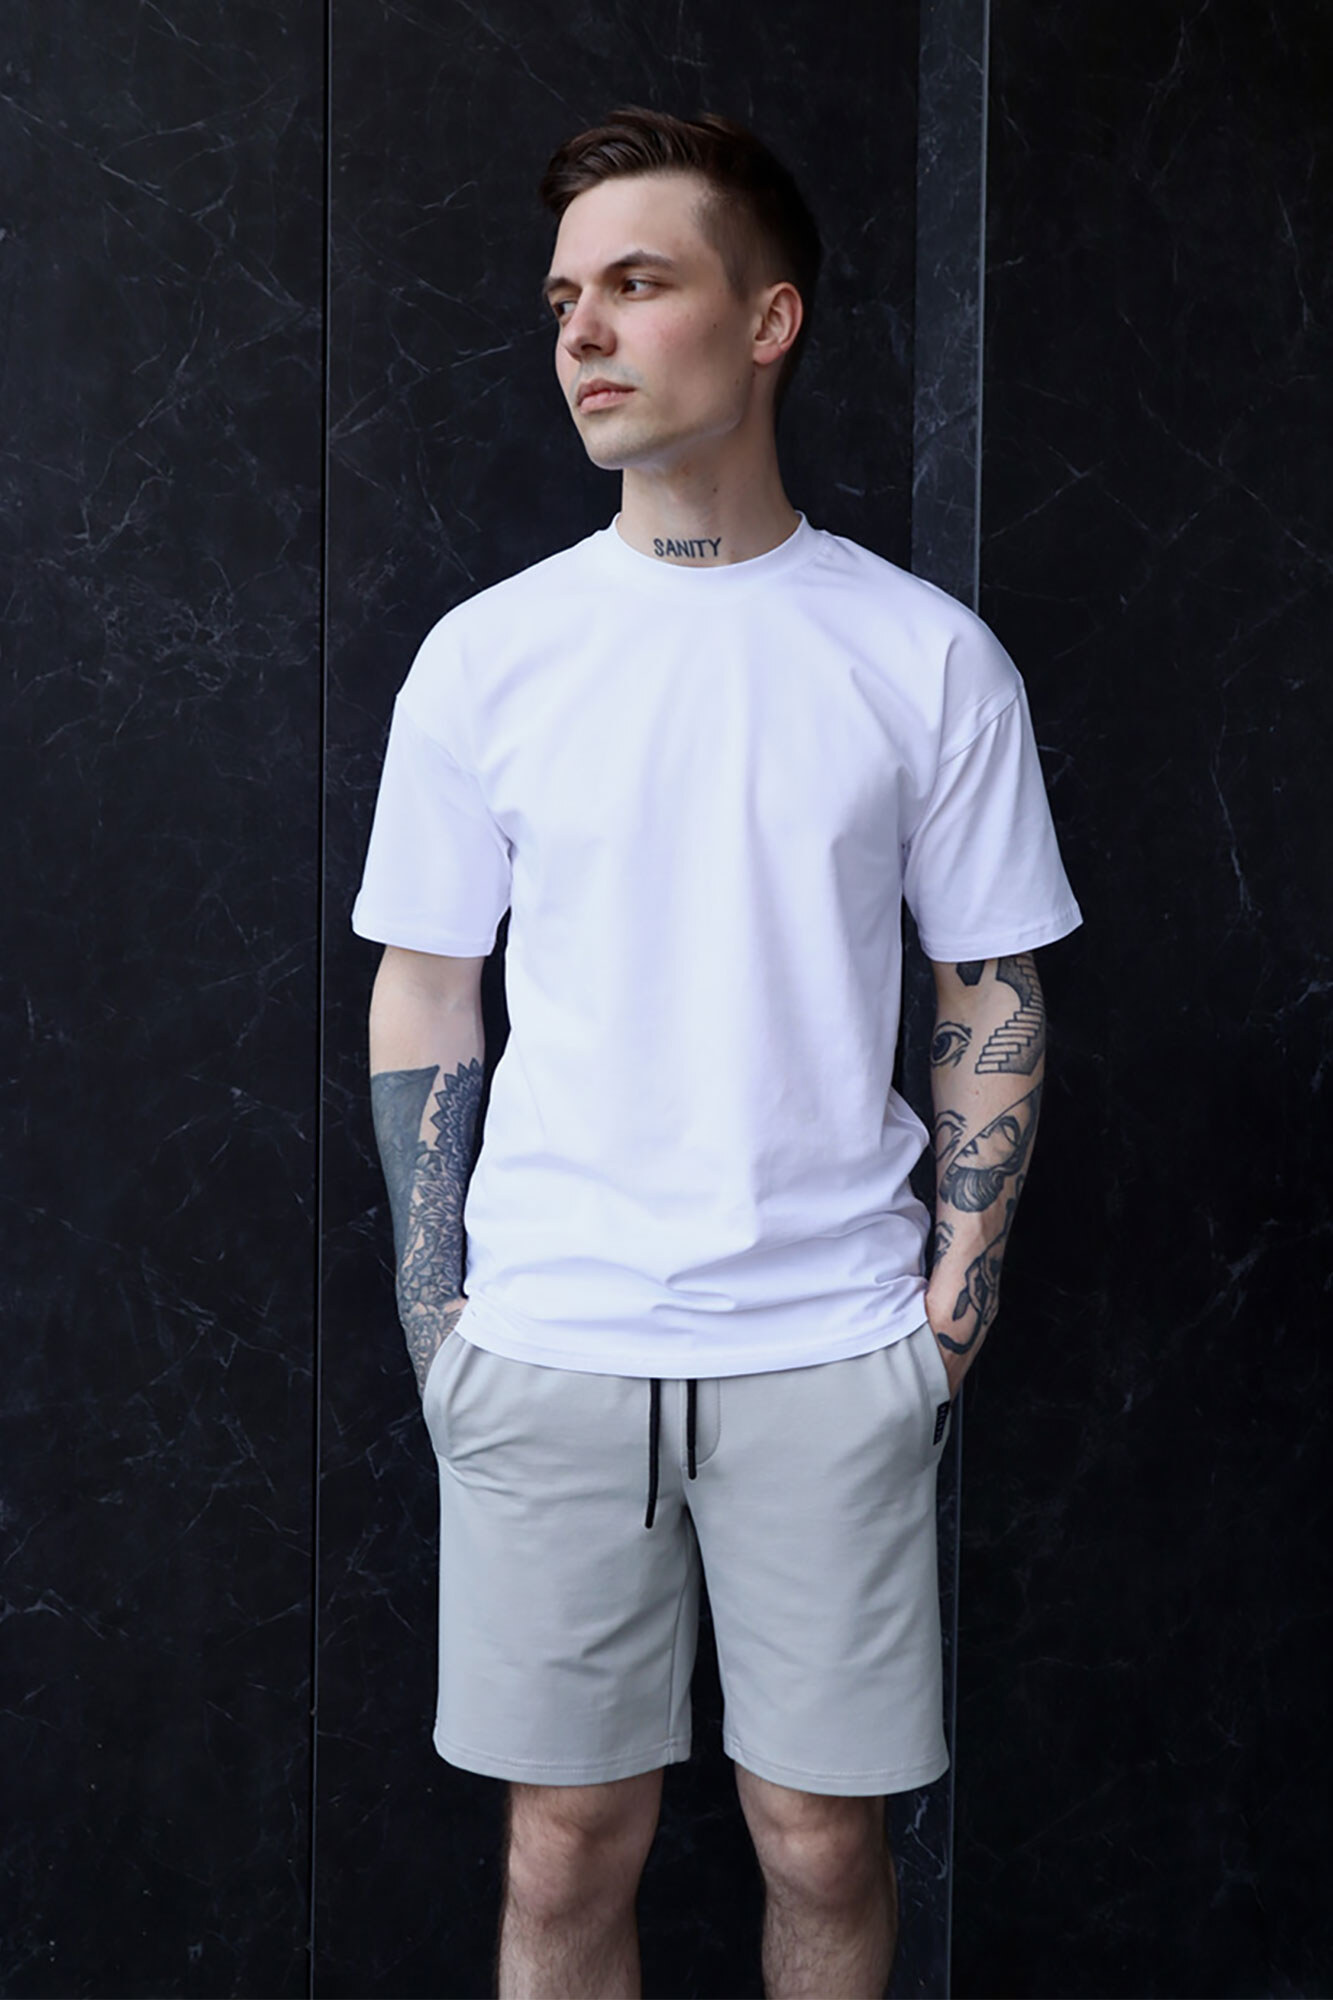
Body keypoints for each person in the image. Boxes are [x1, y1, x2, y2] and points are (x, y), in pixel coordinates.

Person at [352, 107, 1081, 2000]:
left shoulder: (921, 656)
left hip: (830, 1343)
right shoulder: (487, 657)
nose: (583, 333)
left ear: (768, 322)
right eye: (562, 300)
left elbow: (985, 985)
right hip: (550, 1342)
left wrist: (948, 1311)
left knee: (819, 1838)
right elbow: (427, 988)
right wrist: (440, 1319)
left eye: (637, 283)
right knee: (562, 1846)